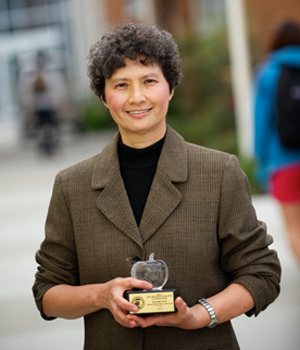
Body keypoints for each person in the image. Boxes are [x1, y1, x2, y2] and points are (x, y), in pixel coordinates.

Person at [33, 22, 281, 350]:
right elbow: (48, 293)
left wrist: (198, 315)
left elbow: (261, 273)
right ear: (104, 96)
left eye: (149, 81)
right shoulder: (72, 186)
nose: (137, 97)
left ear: (170, 87)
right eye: (121, 84)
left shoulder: (219, 173)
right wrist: (101, 295)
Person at [254, 20, 300, 265]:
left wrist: (262, 164)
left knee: (295, 230)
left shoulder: (269, 72)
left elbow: (261, 123)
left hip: (283, 162)